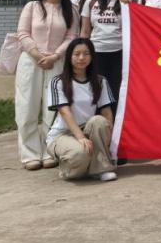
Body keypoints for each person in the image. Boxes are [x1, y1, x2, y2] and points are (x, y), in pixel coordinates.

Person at [15, 0, 78, 170]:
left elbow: (71, 37)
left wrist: (55, 56)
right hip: (30, 61)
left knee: (53, 108)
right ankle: (30, 154)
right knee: (27, 106)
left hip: (57, 62)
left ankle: (49, 150)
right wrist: (36, 54)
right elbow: (23, 33)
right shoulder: (32, 7)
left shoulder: (71, 10)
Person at [45, 38, 118, 182]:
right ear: (69, 57)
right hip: (63, 135)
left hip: (87, 131)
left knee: (99, 121)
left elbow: (107, 113)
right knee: (80, 155)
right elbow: (65, 112)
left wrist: (109, 139)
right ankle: (68, 168)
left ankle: (101, 169)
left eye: (86, 54)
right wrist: (80, 138)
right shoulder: (58, 81)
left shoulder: (100, 81)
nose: (81, 58)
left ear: (92, 57)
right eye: (76, 54)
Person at [80, 0, 130, 111]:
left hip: (119, 54)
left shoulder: (128, 2)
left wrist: (130, 5)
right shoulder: (91, 1)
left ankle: (113, 123)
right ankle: (95, 122)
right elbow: (85, 31)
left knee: (115, 91)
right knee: (95, 91)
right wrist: (83, 52)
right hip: (96, 53)